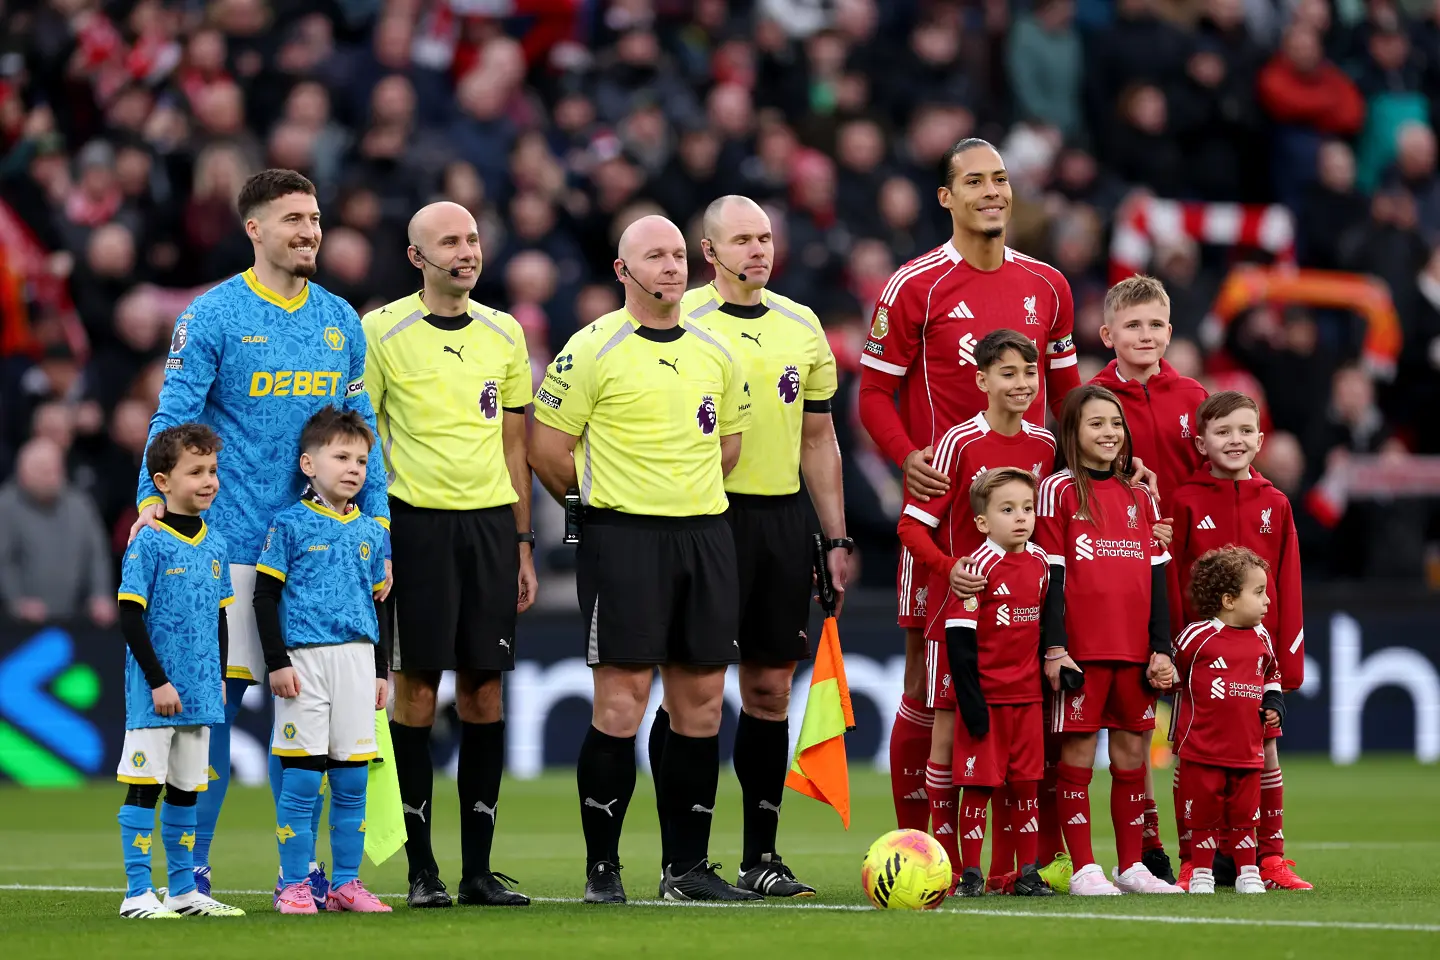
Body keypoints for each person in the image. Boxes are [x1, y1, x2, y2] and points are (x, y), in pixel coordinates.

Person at [129, 169, 392, 900]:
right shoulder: (212, 315)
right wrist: (148, 499)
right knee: (215, 717)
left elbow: (361, 436)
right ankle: (193, 872)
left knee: (307, 730)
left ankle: (300, 875)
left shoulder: (338, 319)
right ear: (255, 229)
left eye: (314, 218)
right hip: (232, 549)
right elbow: (173, 413)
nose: (310, 231)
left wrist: (379, 529)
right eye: (294, 220)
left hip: (320, 556)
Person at [528, 214, 756, 904]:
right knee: (621, 705)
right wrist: (593, 518)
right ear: (623, 270)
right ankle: (604, 869)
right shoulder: (592, 348)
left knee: (703, 706)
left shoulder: (716, 350)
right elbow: (547, 452)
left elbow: (729, 449)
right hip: (624, 539)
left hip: (706, 537)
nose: (672, 267)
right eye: (655, 256)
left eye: (679, 255)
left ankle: (686, 870)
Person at [856, 138, 1080, 833]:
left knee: (1033, 666)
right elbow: (871, 397)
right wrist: (907, 457)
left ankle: (1026, 848)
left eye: (1001, 179)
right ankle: (914, 844)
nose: (992, 191)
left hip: (1030, 519)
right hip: (945, 517)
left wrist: (1100, 466)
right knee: (928, 679)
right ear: (947, 198)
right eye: (975, 181)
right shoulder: (915, 285)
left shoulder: (1047, 286)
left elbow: (1069, 397)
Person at [361, 200, 537, 909]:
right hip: (416, 528)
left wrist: (524, 543)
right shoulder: (382, 332)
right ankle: (421, 869)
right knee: (416, 692)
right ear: (416, 257)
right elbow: (366, 444)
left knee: (484, 691)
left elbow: (515, 445)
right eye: (449, 242)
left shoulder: (505, 331)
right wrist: (378, 541)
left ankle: (478, 871)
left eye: (472, 238)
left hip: (492, 529)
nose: (466, 251)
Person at [670, 195, 847, 898]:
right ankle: (683, 860)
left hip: (780, 522)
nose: (758, 250)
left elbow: (819, 439)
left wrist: (833, 535)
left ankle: (761, 859)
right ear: (709, 252)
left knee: (771, 691)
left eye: (765, 238)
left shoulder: (802, 325)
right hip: (704, 520)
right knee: (697, 695)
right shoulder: (680, 318)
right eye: (742, 240)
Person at [894, 328, 1057, 892]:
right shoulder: (958, 444)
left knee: (1016, 759)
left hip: (1020, 626)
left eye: (1029, 374)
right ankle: (942, 864)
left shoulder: (1044, 445)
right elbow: (912, 526)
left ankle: (1012, 870)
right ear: (982, 379)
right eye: (1007, 374)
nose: (1022, 384)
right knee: (947, 738)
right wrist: (948, 568)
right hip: (960, 619)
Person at [1033, 384, 1182, 896]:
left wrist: (1161, 648)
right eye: (1096, 423)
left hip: (1134, 652)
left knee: (1130, 760)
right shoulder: (1056, 491)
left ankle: (1131, 865)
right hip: (1082, 652)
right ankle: (1082, 868)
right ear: (1072, 432)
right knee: (1075, 758)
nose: (1109, 433)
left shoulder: (1141, 495)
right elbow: (1051, 574)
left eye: (1116, 424)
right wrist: (1055, 648)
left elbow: (1157, 577)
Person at [1088, 274, 1208, 884]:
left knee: (1199, 715)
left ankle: (1211, 847)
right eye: (1132, 325)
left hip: (1190, 577)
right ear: (1107, 334)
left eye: (1155, 324)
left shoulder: (1193, 397)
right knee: (1133, 717)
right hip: (1120, 581)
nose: (1145, 335)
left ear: (1170, 330)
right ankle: (1149, 844)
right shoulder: (1090, 403)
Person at [1167, 392, 1311, 891]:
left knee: (1265, 755)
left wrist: (1288, 666)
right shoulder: (1184, 499)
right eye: (1223, 431)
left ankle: (1271, 857)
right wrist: (1170, 650)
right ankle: (1193, 860)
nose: (1235, 440)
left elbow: (1287, 585)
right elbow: (1172, 582)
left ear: (1260, 439)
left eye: (1245, 431)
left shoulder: (1275, 503)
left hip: (1256, 662)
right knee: (1195, 761)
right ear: (1201, 441)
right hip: (1201, 661)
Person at [255, 407, 392, 915]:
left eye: (361, 460)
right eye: (341, 457)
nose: (354, 468)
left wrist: (381, 671)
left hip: (358, 662)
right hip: (305, 662)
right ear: (309, 464)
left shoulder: (373, 532)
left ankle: (346, 884)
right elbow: (264, 597)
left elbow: (381, 603)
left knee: (353, 779)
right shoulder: (288, 524)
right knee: (304, 779)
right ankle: (294, 883)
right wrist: (277, 662)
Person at [115, 424, 244, 919]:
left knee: (187, 789)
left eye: (213, 470)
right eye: (196, 472)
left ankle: (185, 890)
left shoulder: (217, 545)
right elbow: (129, 615)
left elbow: (220, 618)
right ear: (163, 482)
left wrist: (220, 680)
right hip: (156, 693)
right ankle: (136, 892)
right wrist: (157, 681)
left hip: (201, 692)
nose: (209, 480)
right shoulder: (148, 541)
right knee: (145, 786)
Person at [937, 468, 1056, 898]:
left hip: (1026, 699)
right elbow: (959, 640)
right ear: (983, 522)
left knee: (1026, 786)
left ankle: (1025, 873)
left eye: (1027, 508)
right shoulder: (976, 568)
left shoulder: (1041, 563)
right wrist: (972, 704)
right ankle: (971, 873)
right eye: (1008, 510)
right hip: (986, 701)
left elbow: (1043, 628)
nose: (1021, 517)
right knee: (979, 787)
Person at [1172, 546, 1287, 896]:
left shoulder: (1262, 638)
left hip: (1247, 748)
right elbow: (1174, 671)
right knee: (1204, 815)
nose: (1268, 601)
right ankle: (1202, 871)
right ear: (1228, 600)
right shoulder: (1198, 636)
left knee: (1245, 814)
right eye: (1259, 592)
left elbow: (1272, 673)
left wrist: (1273, 699)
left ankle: (1247, 871)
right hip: (1204, 748)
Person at [0, 436, 115, 625]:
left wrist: (100, 595)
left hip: (76, 620)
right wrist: (16, 601)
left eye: (56, 470)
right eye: (45, 472)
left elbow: (97, 556)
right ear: (24, 474)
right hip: (19, 624)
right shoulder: (5, 506)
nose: (53, 478)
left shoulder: (80, 505)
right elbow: (3, 562)